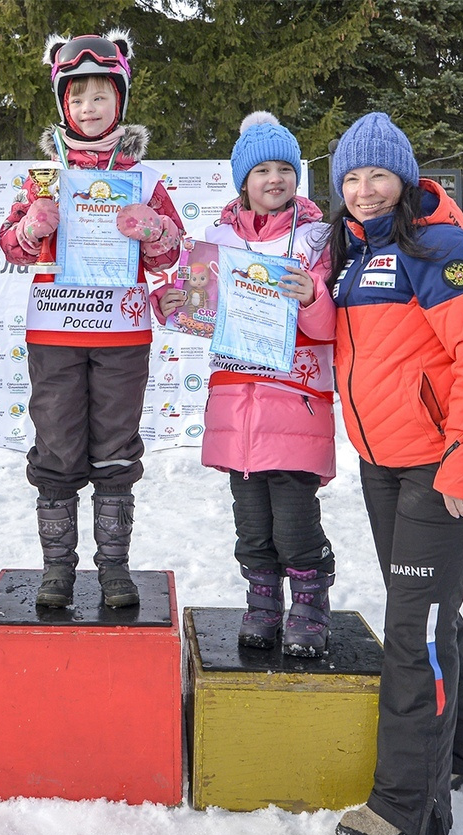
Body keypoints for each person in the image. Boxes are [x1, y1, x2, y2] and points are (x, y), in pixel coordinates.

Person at [324, 113, 463, 835]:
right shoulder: (353, 251)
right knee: (432, 611)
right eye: (351, 178)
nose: (364, 191)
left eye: (376, 176)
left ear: (403, 177)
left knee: (412, 629)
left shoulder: (441, 246)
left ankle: (409, 805)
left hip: (444, 464)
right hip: (386, 463)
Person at [0, 30, 184, 608]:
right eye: (76, 99)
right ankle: (58, 570)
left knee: (116, 445)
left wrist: (153, 230)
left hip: (122, 331)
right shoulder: (42, 176)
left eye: (100, 97)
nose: (88, 109)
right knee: (55, 445)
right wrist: (33, 226)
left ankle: (114, 567)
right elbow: (9, 246)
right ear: (62, 106)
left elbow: (171, 255)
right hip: (55, 328)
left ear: (120, 103)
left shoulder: (143, 179)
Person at [153, 112, 337, 656]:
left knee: (296, 524)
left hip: (295, 403)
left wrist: (310, 296)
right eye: (262, 170)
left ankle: (308, 605)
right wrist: (173, 304)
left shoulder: (316, 239)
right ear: (243, 181)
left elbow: (328, 330)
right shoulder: (217, 240)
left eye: (285, 167)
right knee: (252, 524)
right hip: (236, 407)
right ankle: (263, 604)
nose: (275, 179)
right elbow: (198, 316)